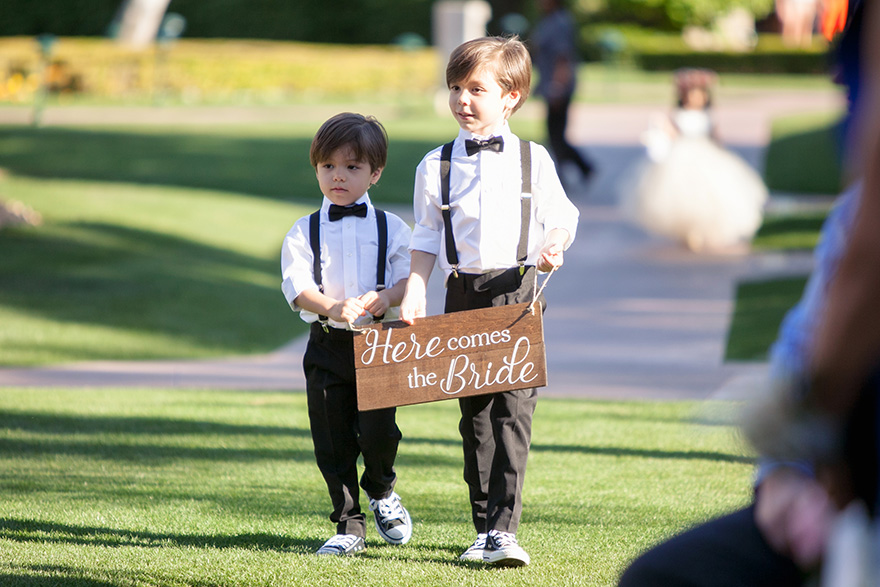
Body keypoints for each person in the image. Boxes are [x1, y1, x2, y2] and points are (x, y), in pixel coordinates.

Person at [400, 36, 580, 567]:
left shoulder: (533, 159)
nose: (462, 99)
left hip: (518, 291)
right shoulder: (435, 165)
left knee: (514, 412)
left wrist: (554, 244)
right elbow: (426, 235)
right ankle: (482, 527)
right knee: (475, 418)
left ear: (511, 96)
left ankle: (505, 531)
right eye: (455, 87)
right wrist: (416, 286)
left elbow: (561, 216)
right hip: (462, 294)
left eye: (476, 89)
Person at [280, 112, 413, 556]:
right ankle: (347, 523)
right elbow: (297, 287)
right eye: (328, 166)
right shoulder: (303, 231)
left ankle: (381, 488)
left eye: (352, 167)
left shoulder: (393, 228)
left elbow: (408, 279)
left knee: (379, 432)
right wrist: (332, 306)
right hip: (327, 344)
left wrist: (386, 296)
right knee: (331, 438)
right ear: (316, 168)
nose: (338, 176)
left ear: (375, 173)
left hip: (378, 345)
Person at [624, 68, 768, 252]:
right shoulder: (678, 115)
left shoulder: (708, 116)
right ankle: (688, 232)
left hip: (705, 154)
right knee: (681, 197)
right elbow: (672, 133)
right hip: (681, 157)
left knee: (709, 196)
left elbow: (715, 136)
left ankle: (701, 230)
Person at [531, 0, 594, 185]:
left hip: (558, 87)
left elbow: (562, 58)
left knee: (556, 135)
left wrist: (557, 87)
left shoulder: (560, 23)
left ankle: (569, 173)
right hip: (549, 84)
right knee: (554, 135)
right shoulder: (548, 21)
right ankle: (580, 169)